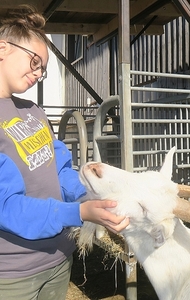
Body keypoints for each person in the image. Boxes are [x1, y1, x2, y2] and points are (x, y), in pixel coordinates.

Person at [0, 5, 129, 300]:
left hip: (58, 258)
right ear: (2, 48)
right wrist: (78, 212)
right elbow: (6, 206)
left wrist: (88, 196)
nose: (38, 72)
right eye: (34, 61)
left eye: (43, 69)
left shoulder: (34, 112)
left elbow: (59, 169)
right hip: (12, 273)